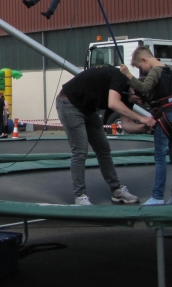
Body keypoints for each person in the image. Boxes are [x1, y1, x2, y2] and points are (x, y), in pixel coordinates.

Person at [56, 66, 152, 205]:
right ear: (135, 90)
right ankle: (80, 195)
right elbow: (113, 103)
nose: (139, 103)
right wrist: (142, 117)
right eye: (139, 100)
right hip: (69, 103)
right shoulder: (120, 79)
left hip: (88, 108)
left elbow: (126, 125)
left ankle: (116, 190)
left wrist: (143, 128)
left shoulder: (127, 98)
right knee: (80, 151)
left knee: (103, 149)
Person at [120, 47, 172, 205]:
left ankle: (157, 196)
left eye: (139, 67)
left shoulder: (155, 71)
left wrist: (128, 74)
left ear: (144, 60)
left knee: (160, 158)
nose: (141, 72)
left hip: (163, 116)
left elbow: (144, 88)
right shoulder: (170, 68)